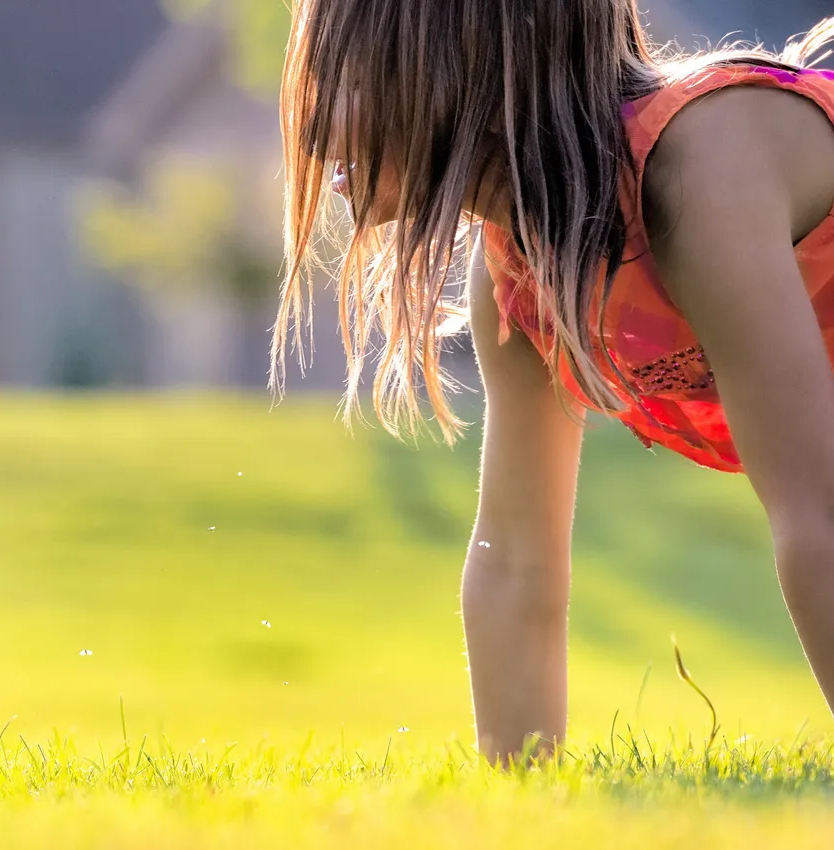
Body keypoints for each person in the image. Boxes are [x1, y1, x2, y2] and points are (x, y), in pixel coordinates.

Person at [273, 0, 834, 763]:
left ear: (453, 71)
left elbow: (819, 512)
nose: (310, 124)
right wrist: (523, 800)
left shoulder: (699, 169)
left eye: (336, 79)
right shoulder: (523, 276)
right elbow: (514, 564)